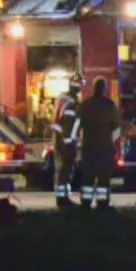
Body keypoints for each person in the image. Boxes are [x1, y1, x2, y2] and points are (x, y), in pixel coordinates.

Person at [76, 77, 122, 208]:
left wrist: (78, 142)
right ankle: (102, 203)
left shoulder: (85, 105)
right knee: (103, 176)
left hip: (88, 148)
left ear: (94, 88)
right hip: (104, 148)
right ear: (104, 89)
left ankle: (85, 202)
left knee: (87, 176)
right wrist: (110, 141)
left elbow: (77, 126)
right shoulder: (109, 106)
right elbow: (117, 129)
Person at [51, 77, 83, 209]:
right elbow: (69, 123)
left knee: (61, 168)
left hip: (57, 137)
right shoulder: (73, 102)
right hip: (66, 140)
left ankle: (61, 197)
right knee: (66, 168)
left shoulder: (62, 98)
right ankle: (63, 199)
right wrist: (70, 140)